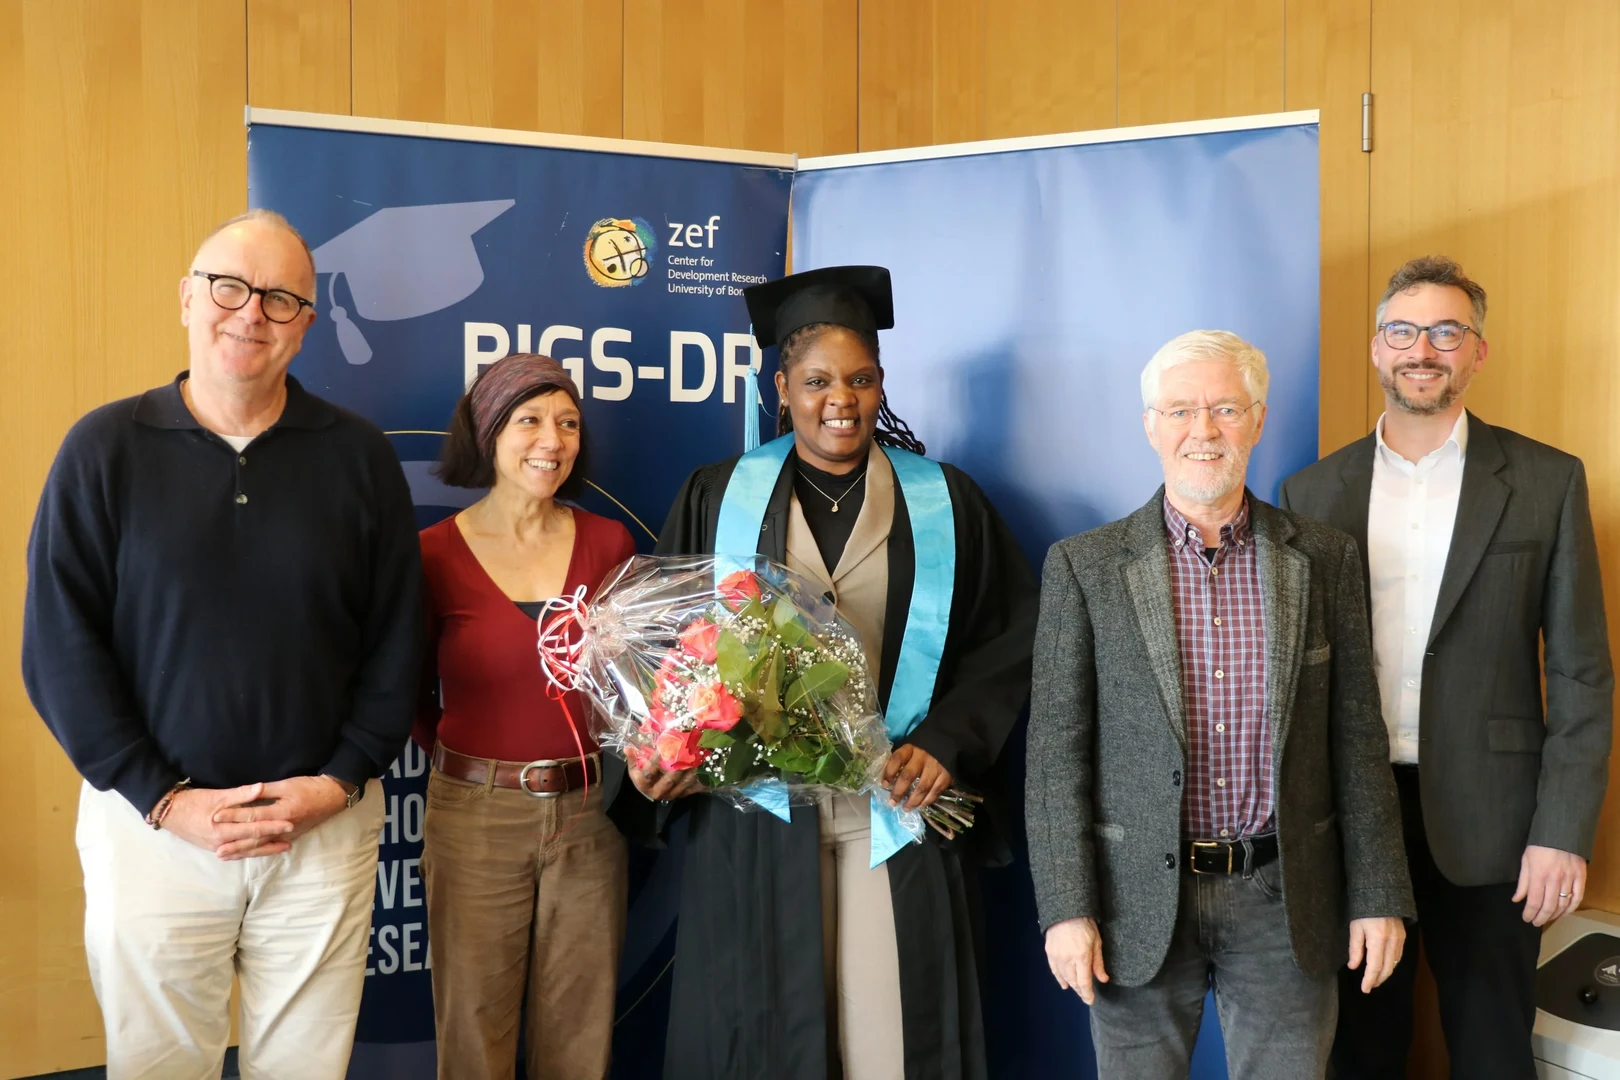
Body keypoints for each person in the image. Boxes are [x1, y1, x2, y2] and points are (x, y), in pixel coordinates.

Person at [22, 208, 422, 1079]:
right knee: (158, 1067)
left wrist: (338, 780)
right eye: (229, 287)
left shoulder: (359, 458)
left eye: (281, 299)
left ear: (306, 325)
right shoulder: (103, 449)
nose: (251, 314)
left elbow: (400, 640)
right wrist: (164, 799)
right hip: (152, 832)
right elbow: (58, 649)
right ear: (186, 298)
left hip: (320, 832)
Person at [620, 265, 1038, 1080]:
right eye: (816, 381)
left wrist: (948, 741)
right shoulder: (718, 495)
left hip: (898, 812)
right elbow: (671, 648)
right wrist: (659, 750)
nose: (840, 399)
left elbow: (1014, 639)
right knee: (762, 1042)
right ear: (782, 388)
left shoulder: (945, 502)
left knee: (897, 1042)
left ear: (880, 384)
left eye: (860, 379)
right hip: (758, 820)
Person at [1026, 330, 1415, 1079]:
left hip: (1285, 897)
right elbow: (1055, 758)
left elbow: (1356, 741)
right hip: (1135, 901)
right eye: (1180, 410)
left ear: (1258, 419)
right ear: (1151, 426)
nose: (1202, 430)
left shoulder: (1324, 557)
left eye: (1225, 409)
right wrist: (1067, 908)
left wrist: (1378, 893)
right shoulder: (1084, 566)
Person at [1279, 256, 1613, 1080]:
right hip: (1354, 816)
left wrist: (1561, 832)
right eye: (1402, 330)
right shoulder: (1310, 492)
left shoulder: (1546, 481)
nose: (1421, 349)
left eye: (1446, 331)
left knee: (1494, 1053)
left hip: (1498, 821)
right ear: (1376, 348)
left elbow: (1583, 675)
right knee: (1360, 1053)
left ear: (1477, 352)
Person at [414, 353, 636, 1080]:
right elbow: (404, 693)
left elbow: (630, 684)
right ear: (487, 431)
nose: (552, 440)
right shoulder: (432, 555)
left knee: (579, 1032)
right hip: (475, 816)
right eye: (530, 420)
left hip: (590, 815)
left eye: (568, 423)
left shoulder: (609, 544)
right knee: (473, 1032)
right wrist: (474, 767)